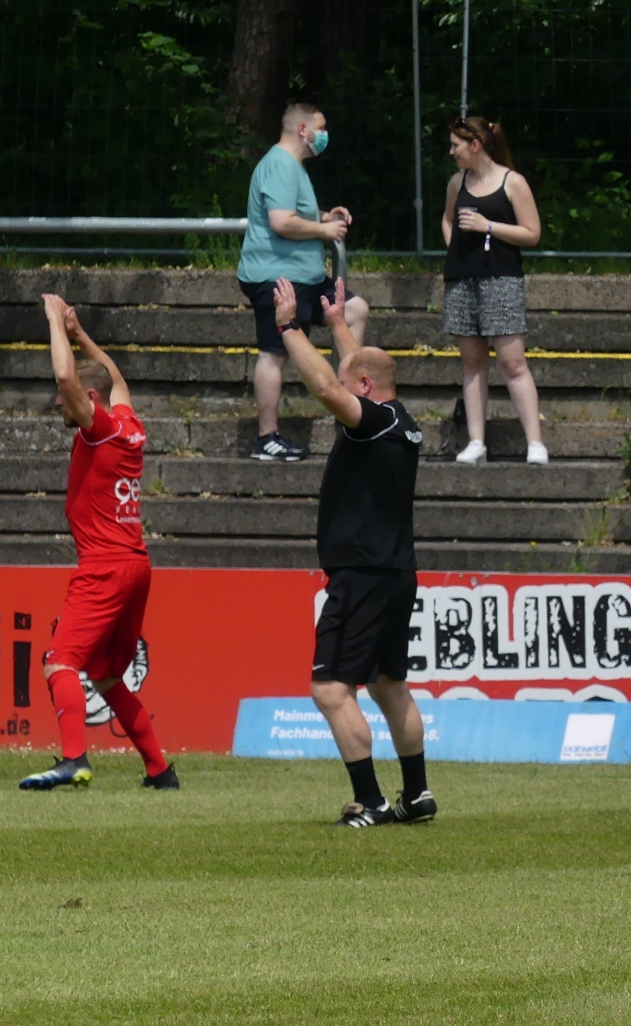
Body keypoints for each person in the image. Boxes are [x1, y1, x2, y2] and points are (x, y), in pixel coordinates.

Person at [273, 278, 435, 827]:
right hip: (394, 572)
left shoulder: (372, 422)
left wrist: (289, 327)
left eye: (352, 389)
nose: (343, 402)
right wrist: (340, 325)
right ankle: (417, 795)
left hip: (362, 574)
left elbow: (327, 387)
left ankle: (372, 802)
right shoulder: (400, 421)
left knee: (329, 688)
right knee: (389, 685)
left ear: (364, 389)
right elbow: (355, 371)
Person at [20, 296, 178, 792]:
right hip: (135, 566)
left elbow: (67, 378)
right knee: (107, 677)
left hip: (105, 567)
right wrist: (82, 334)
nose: (58, 404)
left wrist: (54, 322)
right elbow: (116, 379)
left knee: (60, 661)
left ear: (90, 398)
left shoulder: (101, 429)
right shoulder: (130, 426)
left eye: (64, 399)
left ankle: (74, 759)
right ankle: (160, 771)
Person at [236, 103, 369, 462]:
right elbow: (281, 222)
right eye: (320, 128)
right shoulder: (280, 164)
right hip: (278, 276)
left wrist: (324, 216)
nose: (324, 135)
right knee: (274, 353)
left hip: (303, 275)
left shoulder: (292, 166)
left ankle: (350, 408)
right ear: (302, 130)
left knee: (355, 310)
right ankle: (267, 438)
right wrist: (324, 231)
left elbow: (293, 212)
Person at [441, 115, 546, 464]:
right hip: (462, 279)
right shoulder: (457, 182)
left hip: (501, 279)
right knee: (473, 363)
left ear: (475, 145)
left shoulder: (512, 182)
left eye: (456, 145)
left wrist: (488, 226)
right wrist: (454, 246)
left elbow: (531, 233)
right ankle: (476, 441)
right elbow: (448, 218)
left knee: (512, 362)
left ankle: (535, 443)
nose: (451, 152)